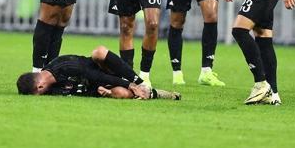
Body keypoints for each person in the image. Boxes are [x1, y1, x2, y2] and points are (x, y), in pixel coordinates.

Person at [16, 45, 180, 100]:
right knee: (122, 94)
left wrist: (130, 83)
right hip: (95, 86)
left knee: (99, 52)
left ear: (39, 86)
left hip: (101, 70)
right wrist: (105, 92)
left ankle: (139, 83)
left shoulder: (63, 65)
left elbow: (95, 75)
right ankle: (159, 94)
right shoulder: (51, 90)